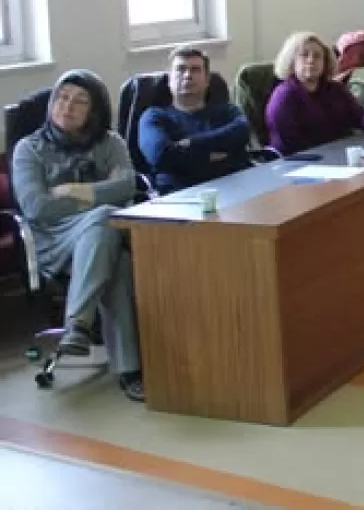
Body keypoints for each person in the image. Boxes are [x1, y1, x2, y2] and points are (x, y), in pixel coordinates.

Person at [10, 70, 144, 402]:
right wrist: (100, 194)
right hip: (52, 243)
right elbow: (37, 208)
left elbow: (128, 185)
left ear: (94, 111)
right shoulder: (29, 149)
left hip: (101, 240)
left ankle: (78, 327)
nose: (67, 106)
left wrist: (74, 190)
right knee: (105, 225)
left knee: (114, 252)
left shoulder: (110, 143)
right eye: (62, 97)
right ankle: (129, 369)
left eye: (79, 101)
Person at [137, 46, 252, 194]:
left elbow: (243, 133)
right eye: (180, 69)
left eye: (195, 70)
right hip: (182, 195)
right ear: (169, 80)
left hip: (236, 188)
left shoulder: (227, 111)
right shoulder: (154, 116)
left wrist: (191, 143)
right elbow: (161, 156)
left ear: (207, 80)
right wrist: (211, 156)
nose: (187, 75)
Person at [265, 31, 364, 155]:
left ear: (325, 62)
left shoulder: (335, 89)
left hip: (336, 153)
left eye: (317, 56)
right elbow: (290, 142)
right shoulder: (283, 96)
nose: (311, 60)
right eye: (304, 55)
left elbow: (358, 114)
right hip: (297, 161)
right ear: (292, 62)